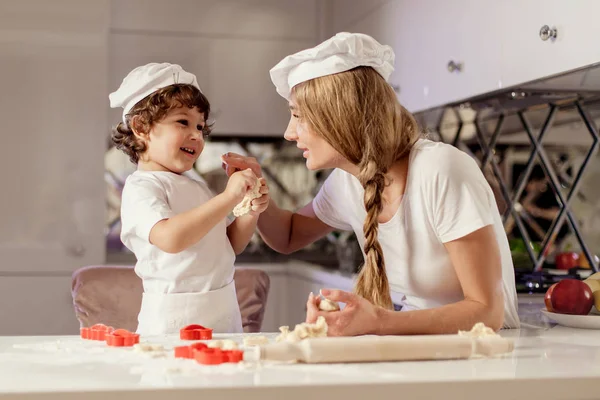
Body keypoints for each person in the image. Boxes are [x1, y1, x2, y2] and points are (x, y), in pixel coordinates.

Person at [222, 33, 520, 336]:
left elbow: (487, 311)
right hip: (421, 348)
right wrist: (257, 189)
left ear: (338, 117)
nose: (289, 133)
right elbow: (287, 236)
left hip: (484, 356)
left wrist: (377, 322)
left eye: (298, 116)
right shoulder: (347, 182)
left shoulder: (440, 170)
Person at [109, 63, 270, 335]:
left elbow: (230, 246)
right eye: (182, 122)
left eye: (200, 127)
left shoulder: (195, 184)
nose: (196, 134)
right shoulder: (141, 187)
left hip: (222, 312)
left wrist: (249, 210)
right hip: (173, 322)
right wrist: (229, 197)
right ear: (140, 127)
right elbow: (171, 238)